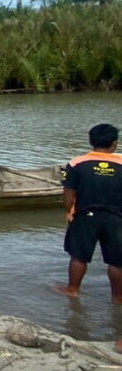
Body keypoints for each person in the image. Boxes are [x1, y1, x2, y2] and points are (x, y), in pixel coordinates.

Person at [54, 123, 122, 315]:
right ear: (114, 144)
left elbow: (69, 194)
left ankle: (73, 290)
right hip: (117, 218)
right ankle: (118, 298)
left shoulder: (76, 163)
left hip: (85, 216)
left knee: (79, 256)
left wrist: (70, 212)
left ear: (91, 142)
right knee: (117, 262)